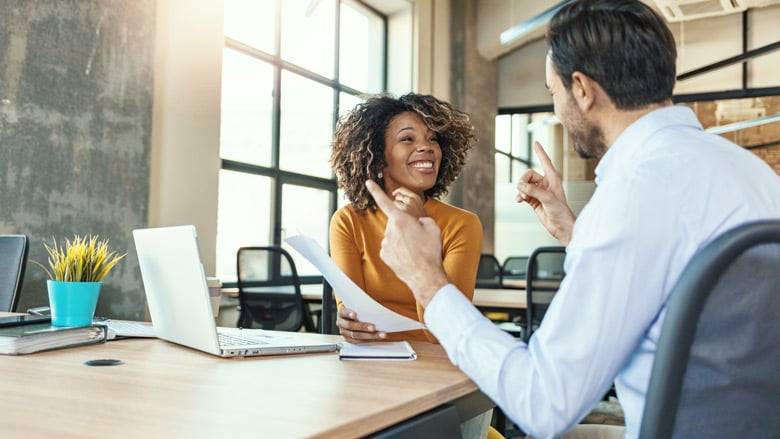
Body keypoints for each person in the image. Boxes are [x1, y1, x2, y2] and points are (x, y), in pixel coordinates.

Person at [362, 1, 780, 438]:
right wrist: (574, 232)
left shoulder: (633, 193)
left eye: (553, 92)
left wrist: (427, 280)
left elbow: (544, 403)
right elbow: (669, 272)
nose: (557, 110)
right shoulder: (751, 172)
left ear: (581, 89)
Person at [329, 92, 483, 343]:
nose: (426, 147)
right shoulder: (348, 221)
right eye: (407, 139)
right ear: (379, 156)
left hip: (437, 356)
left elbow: (446, 332)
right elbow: (354, 315)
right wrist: (349, 322)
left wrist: (419, 227)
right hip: (371, 354)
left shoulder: (463, 225)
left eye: (432, 139)